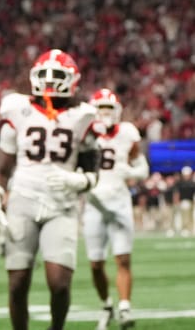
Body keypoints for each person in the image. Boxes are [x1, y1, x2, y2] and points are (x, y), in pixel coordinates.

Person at [0, 49, 100, 330]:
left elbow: (93, 172)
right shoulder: (18, 109)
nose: (49, 82)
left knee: (59, 284)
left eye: (57, 76)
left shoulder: (83, 115)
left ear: (72, 80)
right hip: (23, 199)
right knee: (17, 283)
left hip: (62, 204)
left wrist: (81, 181)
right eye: (44, 75)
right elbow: (2, 168)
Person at [83, 89, 148, 330]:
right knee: (96, 264)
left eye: (109, 109)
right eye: (101, 108)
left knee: (123, 258)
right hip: (94, 202)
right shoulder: (85, 134)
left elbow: (142, 166)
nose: (105, 114)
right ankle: (106, 304)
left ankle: (124, 307)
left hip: (119, 200)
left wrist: (131, 172)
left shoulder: (127, 133)